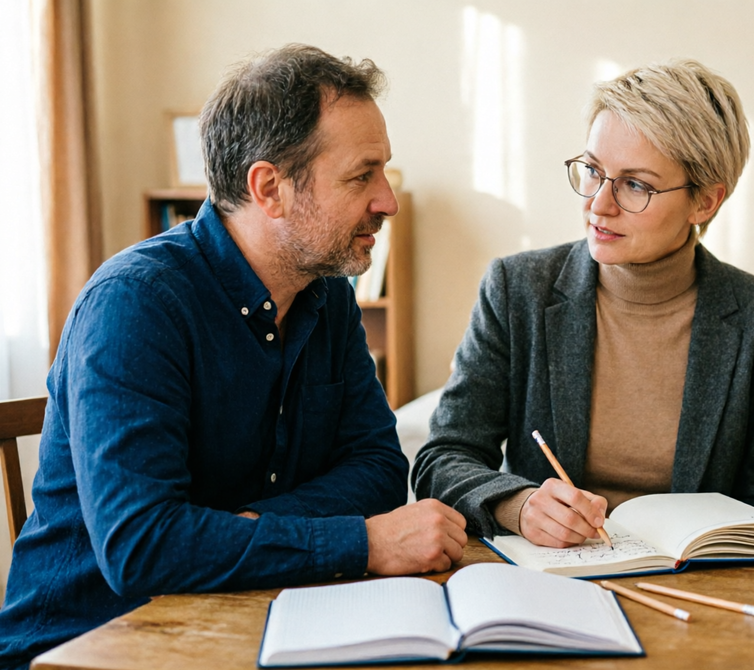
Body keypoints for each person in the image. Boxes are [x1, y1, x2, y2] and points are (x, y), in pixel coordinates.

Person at [0, 44, 467, 669]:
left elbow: (379, 467)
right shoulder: (134, 305)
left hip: (251, 616)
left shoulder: (327, 295)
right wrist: (359, 543)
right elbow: (143, 547)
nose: (388, 200)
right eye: (363, 175)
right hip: (91, 643)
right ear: (269, 187)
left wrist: (235, 532)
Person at [414, 59, 754, 547]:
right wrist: (519, 506)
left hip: (697, 588)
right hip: (553, 579)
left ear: (705, 202)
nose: (599, 203)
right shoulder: (518, 290)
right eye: (594, 171)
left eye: (636, 184)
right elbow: (442, 459)